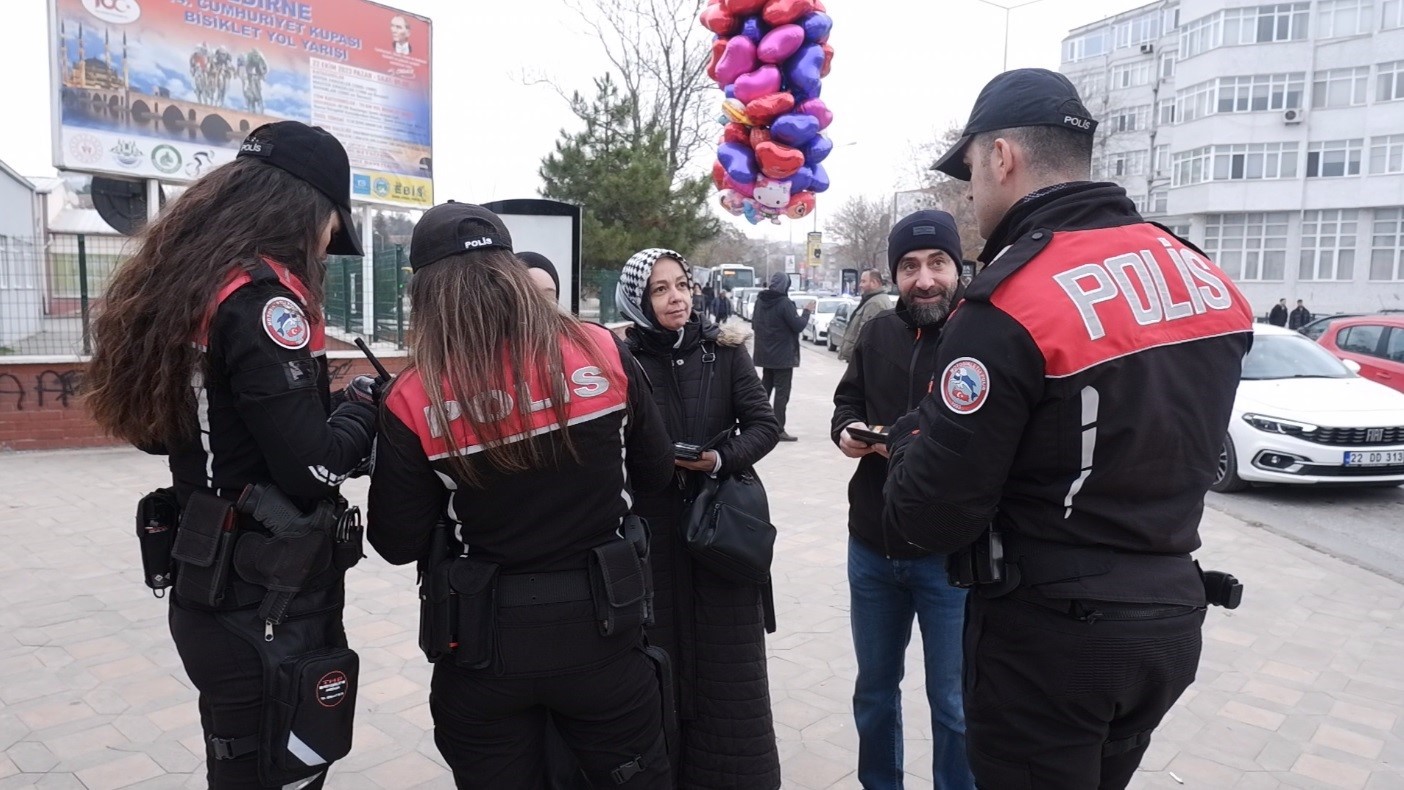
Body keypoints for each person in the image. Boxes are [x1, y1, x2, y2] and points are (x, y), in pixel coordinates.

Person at [883, 68, 1254, 789]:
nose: (971, 195)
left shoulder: (1011, 302)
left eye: (968, 175)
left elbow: (924, 516)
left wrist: (907, 438)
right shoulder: (1204, 276)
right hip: (1170, 620)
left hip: (1052, 638)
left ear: (1001, 158)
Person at [85, 121, 377, 789]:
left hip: (213, 589)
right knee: (278, 770)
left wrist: (309, 408)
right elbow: (315, 469)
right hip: (262, 606)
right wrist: (365, 407)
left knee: (241, 764)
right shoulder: (263, 300)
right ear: (308, 210)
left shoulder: (196, 285)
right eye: (333, 223)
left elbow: (166, 432)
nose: (330, 242)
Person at [367, 203, 676, 788]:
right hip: (605, 632)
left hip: (484, 648)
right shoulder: (602, 351)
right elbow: (656, 473)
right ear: (510, 268)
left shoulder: (414, 394)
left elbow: (397, 541)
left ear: (425, 292)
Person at [616, 248, 782, 789]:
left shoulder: (725, 350)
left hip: (719, 534)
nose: (677, 297)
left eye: (682, 285)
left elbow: (763, 424)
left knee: (728, 673)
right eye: (660, 289)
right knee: (656, 664)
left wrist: (718, 459)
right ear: (639, 299)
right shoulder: (620, 359)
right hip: (652, 533)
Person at [831, 211, 975, 790]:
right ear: (895, 273)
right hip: (871, 546)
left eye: (937, 263)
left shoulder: (982, 337)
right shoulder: (879, 333)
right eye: (909, 266)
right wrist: (848, 430)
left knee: (955, 705)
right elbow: (846, 401)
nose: (924, 279)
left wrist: (919, 451)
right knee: (873, 692)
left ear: (957, 267)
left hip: (949, 557)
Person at [751, 273, 814, 441]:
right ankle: (778, 429)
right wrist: (806, 312)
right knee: (782, 394)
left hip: (765, 356)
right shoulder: (784, 303)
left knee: (764, 391)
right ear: (785, 286)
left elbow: (753, 324)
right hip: (783, 357)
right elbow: (799, 326)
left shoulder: (760, 301)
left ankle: (757, 425)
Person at [836, 268, 894, 362]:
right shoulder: (875, 300)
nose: (860, 285)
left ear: (874, 283)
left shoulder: (874, 304)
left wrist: (858, 360)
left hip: (864, 362)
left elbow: (865, 336)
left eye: (863, 281)